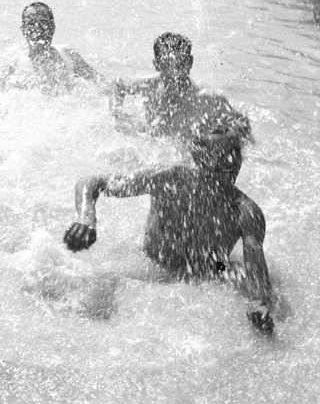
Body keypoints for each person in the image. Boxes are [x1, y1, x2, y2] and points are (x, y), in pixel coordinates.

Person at [64, 129, 275, 333]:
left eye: (234, 154)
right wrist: (86, 219)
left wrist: (261, 303)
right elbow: (91, 182)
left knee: (231, 271)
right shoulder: (169, 179)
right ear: (199, 158)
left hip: (214, 268)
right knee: (98, 288)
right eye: (221, 156)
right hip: (152, 262)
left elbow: (256, 268)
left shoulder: (246, 211)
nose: (230, 162)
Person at [110, 31, 250, 144]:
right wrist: (117, 115)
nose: (175, 73)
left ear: (190, 63)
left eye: (181, 64)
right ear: (156, 65)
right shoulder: (149, 87)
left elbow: (242, 124)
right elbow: (119, 84)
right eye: (167, 65)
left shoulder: (207, 99)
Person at [2, 1, 101, 95]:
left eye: (43, 23)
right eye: (31, 23)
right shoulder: (16, 66)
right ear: (23, 30)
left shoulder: (68, 55)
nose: (37, 29)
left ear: (52, 28)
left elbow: (100, 83)